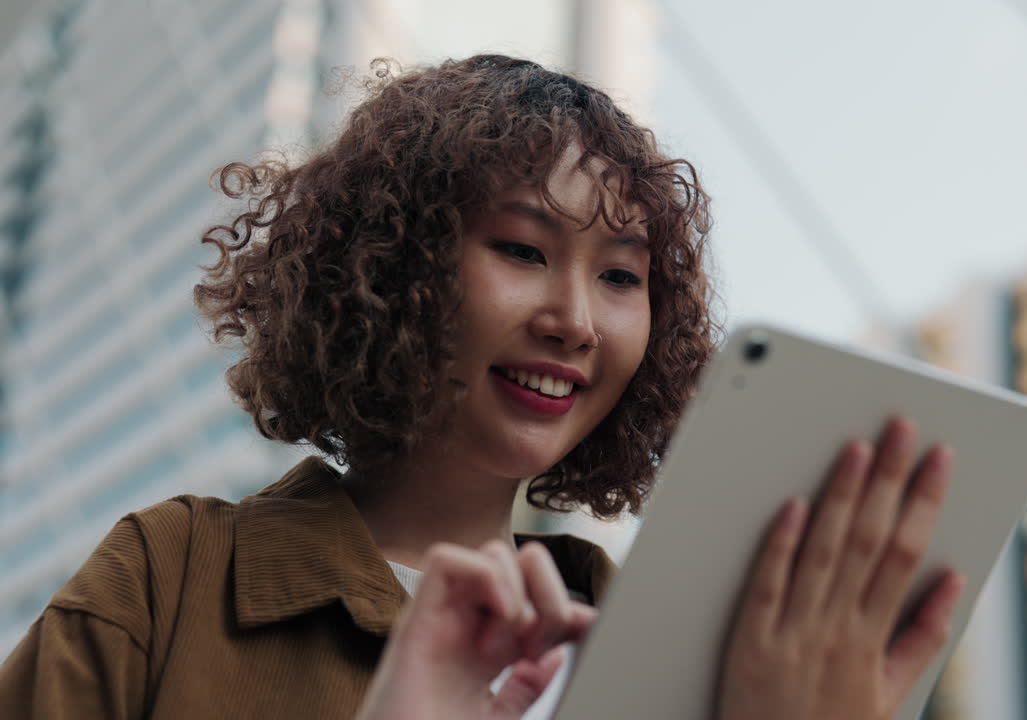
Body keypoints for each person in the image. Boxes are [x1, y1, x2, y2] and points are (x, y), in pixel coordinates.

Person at [0, 55, 964, 720]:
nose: (577, 320)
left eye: (623, 276)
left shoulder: (692, 654)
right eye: (521, 249)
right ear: (387, 269)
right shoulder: (169, 582)